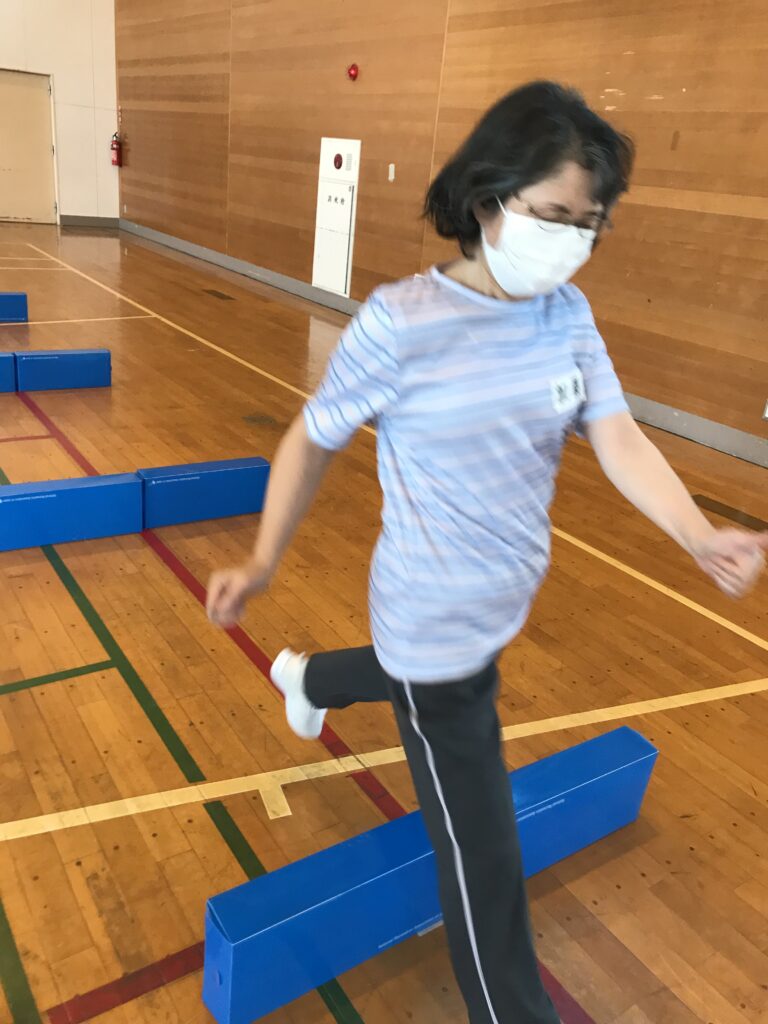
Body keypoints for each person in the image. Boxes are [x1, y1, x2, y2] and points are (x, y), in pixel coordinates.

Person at [207, 81, 766, 1024]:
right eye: (553, 214)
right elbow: (311, 436)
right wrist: (261, 561)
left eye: (588, 223)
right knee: (484, 858)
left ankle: (310, 678)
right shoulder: (403, 322)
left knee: (411, 687)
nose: (571, 239)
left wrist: (698, 532)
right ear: (489, 198)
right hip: (432, 626)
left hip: (496, 606)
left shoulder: (567, 317)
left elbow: (619, 434)